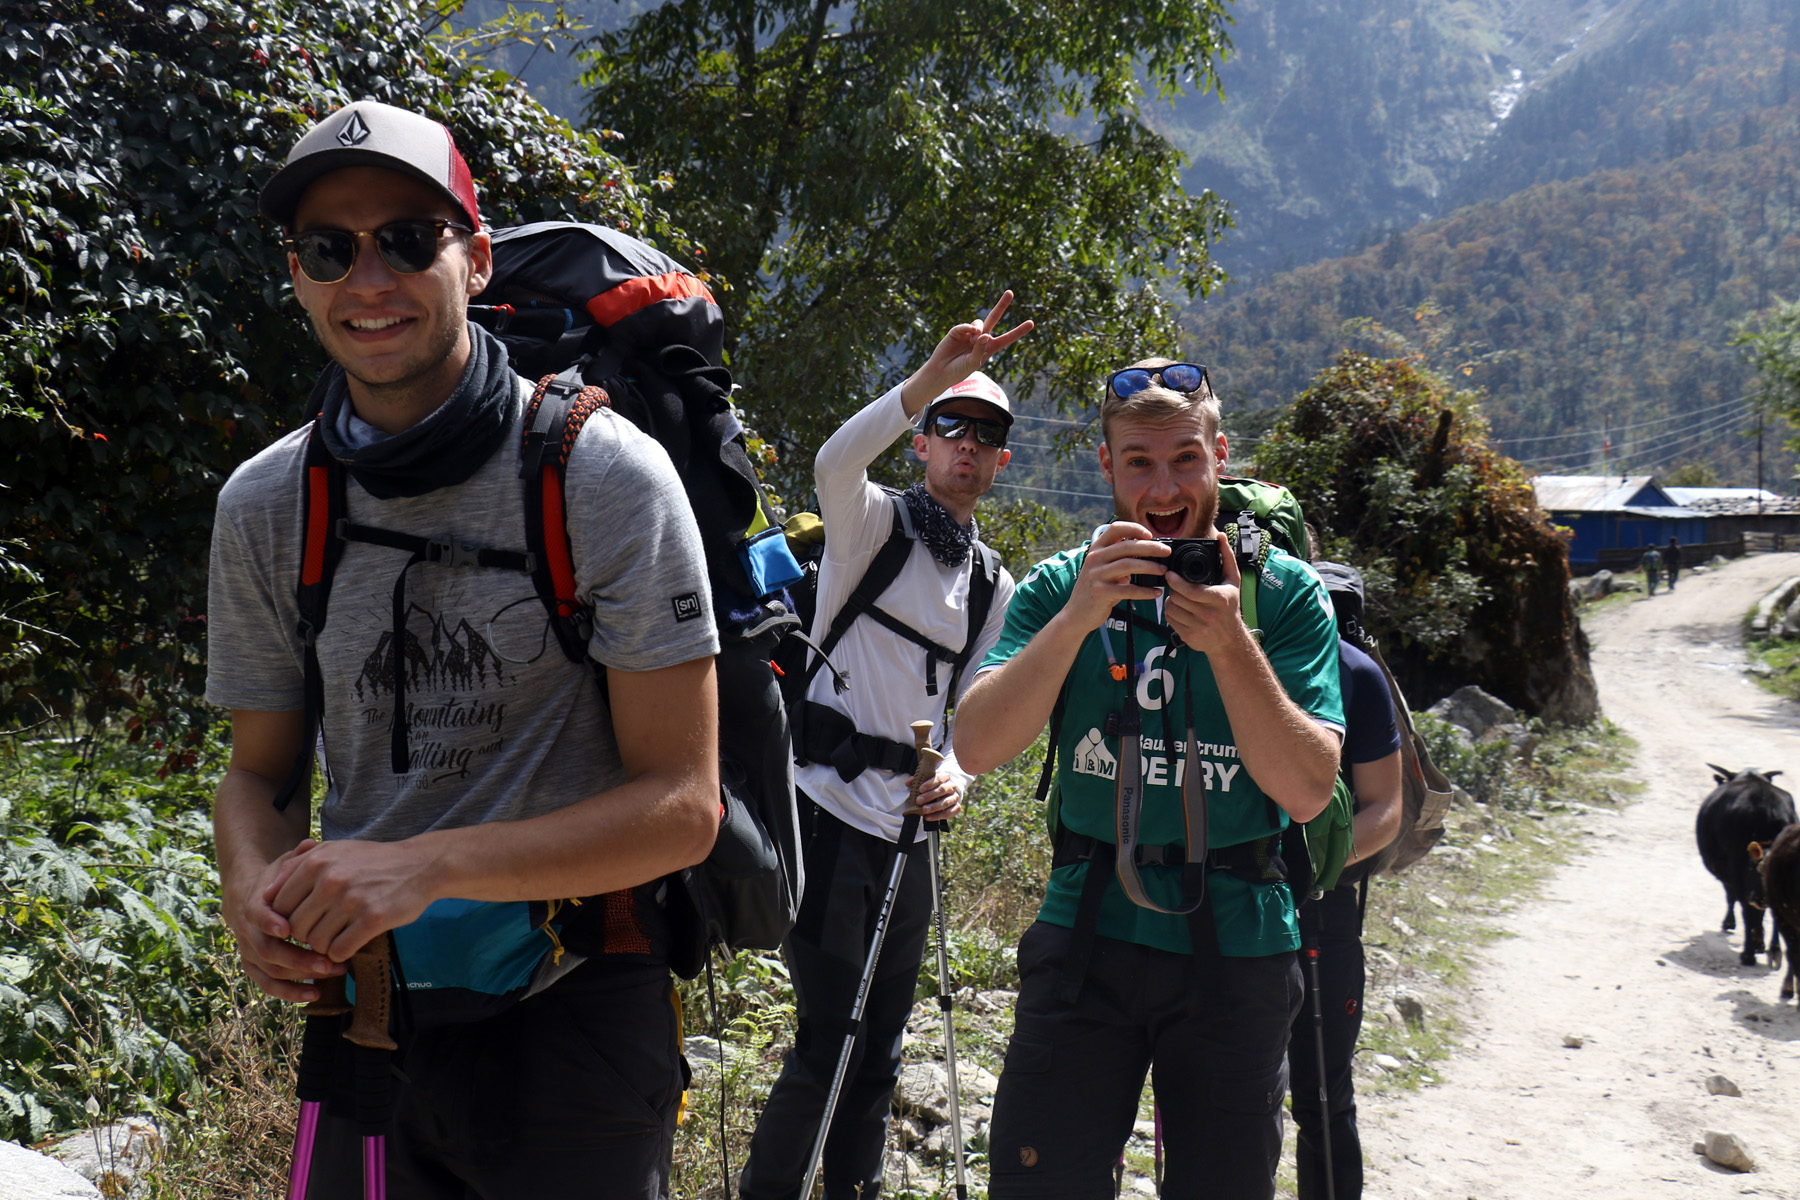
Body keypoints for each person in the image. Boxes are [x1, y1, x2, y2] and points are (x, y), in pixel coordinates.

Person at [206, 101, 720, 1197]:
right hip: (370, 1014)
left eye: (407, 238)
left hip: (575, 1011)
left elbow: (684, 804)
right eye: (329, 249)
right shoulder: (265, 503)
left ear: (476, 258)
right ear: (297, 274)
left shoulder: (601, 476)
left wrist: (423, 867)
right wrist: (250, 887)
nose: (368, 277)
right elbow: (259, 774)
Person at [955, 359, 1346, 1200]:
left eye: (1184, 460)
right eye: (1139, 461)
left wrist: (1231, 643)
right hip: (1087, 929)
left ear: (1219, 458)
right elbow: (978, 744)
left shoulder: (1283, 595)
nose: (1163, 487)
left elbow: (1310, 789)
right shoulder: (1065, 586)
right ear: (1107, 466)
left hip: (1239, 943)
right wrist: (1077, 621)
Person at [738, 298, 1031, 1200]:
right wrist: (927, 379)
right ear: (924, 442)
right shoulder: (869, 526)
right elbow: (832, 459)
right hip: (823, 817)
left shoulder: (994, 587)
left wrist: (961, 779)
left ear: (1003, 459)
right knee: (832, 1040)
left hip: (909, 839)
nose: (967, 448)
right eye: (952, 428)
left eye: (986, 436)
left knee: (884, 1049)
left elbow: (972, 721)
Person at [1286, 588, 1403, 1200]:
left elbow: (1386, 808)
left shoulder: (1353, 671)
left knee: (1322, 1093)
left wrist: (1306, 866)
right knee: (1232, 1097)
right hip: (1230, 904)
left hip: (1322, 908)